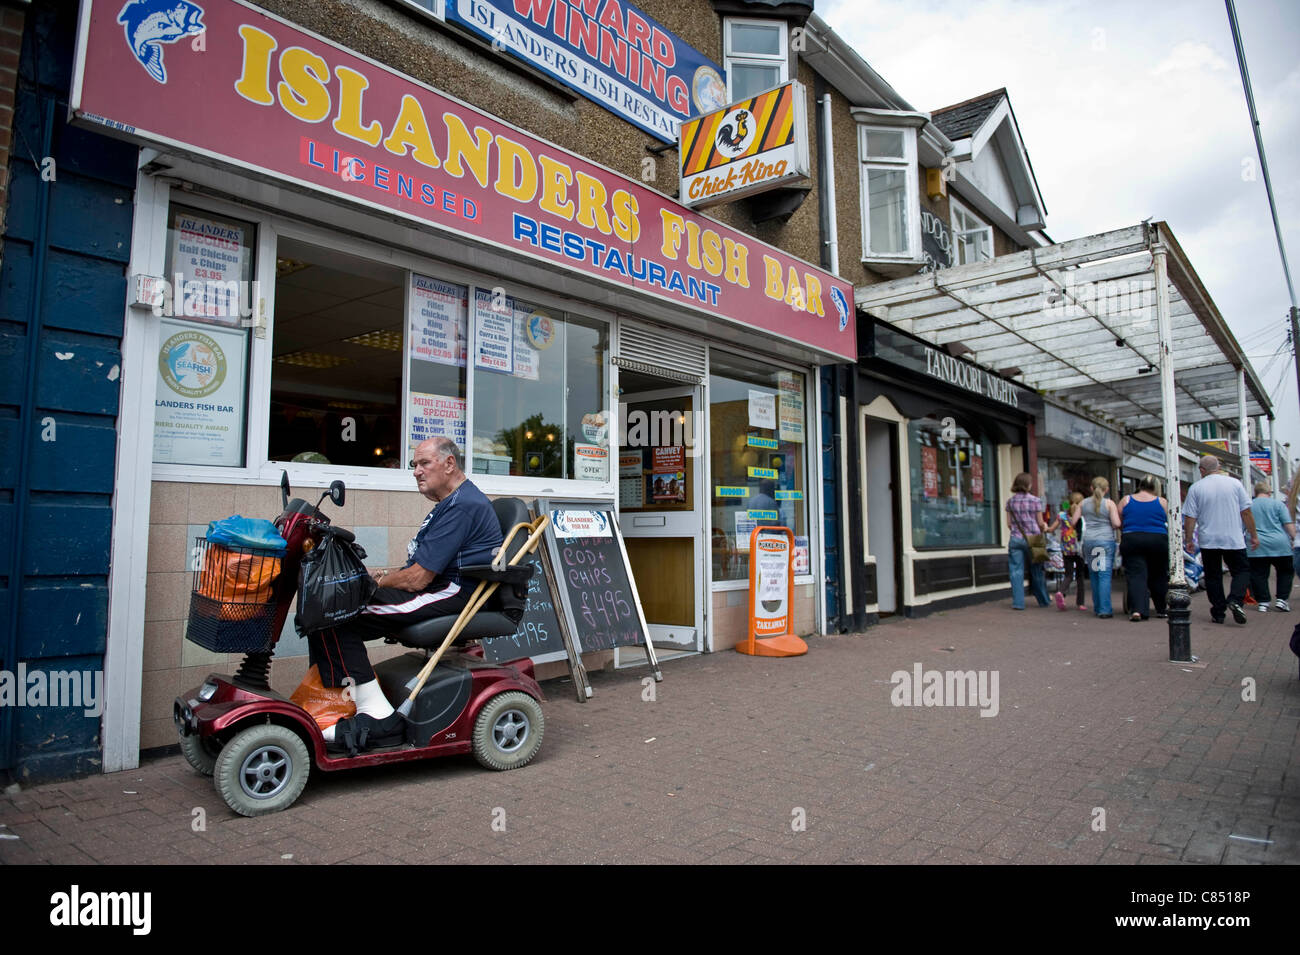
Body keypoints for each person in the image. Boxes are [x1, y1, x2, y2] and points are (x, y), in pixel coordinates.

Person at [307, 437, 504, 748]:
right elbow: (416, 570)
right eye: (415, 465)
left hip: (452, 594)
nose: (416, 471)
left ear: (449, 464)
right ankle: (336, 704)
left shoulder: (463, 505)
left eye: (424, 463)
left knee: (337, 615)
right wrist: (376, 576)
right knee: (329, 607)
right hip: (438, 588)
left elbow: (418, 579)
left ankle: (380, 719)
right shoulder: (450, 504)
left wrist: (369, 584)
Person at [1183, 455, 1259, 624]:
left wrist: (1189, 539)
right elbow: (1246, 512)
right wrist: (1253, 535)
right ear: (1218, 466)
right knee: (1241, 571)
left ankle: (1218, 612)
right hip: (1233, 538)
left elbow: (1190, 517)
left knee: (1213, 576)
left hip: (1209, 539)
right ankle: (1235, 599)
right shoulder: (1235, 484)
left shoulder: (1196, 488)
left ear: (1202, 470)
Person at [1119, 475, 1170, 622]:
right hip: (1158, 540)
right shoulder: (1162, 501)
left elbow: (1120, 521)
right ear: (1155, 487)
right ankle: (1162, 609)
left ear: (1139, 485)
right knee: (1158, 575)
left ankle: (1138, 610)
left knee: (1136, 575)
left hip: (1132, 539)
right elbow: (1169, 520)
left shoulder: (1126, 500)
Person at [1075, 476, 1121, 618]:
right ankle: (1105, 609)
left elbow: (1073, 521)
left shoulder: (1083, 503)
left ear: (1091, 488)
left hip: (1090, 541)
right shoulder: (1109, 504)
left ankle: (1097, 607)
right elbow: (1116, 523)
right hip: (1105, 541)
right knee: (1104, 575)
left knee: (1094, 574)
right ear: (1106, 489)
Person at [1247, 480, 1296, 612]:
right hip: (1280, 544)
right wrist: (1294, 539)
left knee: (1258, 574)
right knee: (1285, 571)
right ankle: (1282, 599)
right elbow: (1287, 523)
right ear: (1269, 492)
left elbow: (1242, 527)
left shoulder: (1248, 505)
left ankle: (1263, 602)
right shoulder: (1278, 504)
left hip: (1256, 545)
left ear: (1255, 492)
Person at [1005, 472, 1049, 610]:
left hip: (1016, 539)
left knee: (1015, 571)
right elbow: (1040, 523)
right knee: (1037, 569)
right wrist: (1045, 528)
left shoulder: (1010, 502)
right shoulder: (1036, 501)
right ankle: (1043, 600)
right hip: (1033, 539)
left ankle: (1018, 602)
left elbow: (1009, 524)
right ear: (1028, 485)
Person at [1060, 491, 1089, 612]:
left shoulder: (1063, 515)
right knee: (1080, 576)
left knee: (1068, 574)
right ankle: (1080, 603)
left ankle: (1061, 592)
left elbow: (1064, 506)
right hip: (1079, 549)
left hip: (1066, 549)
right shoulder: (1082, 515)